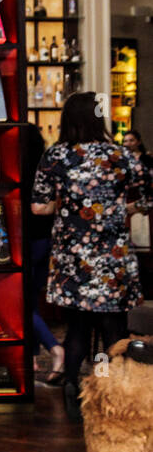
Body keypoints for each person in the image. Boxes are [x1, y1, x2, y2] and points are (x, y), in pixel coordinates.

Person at [32, 93, 153, 420]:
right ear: (99, 119)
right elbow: (147, 195)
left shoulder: (56, 155)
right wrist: (120, 209)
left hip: (73, 254)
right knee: (115, 329)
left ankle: (72, 386)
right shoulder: (121, 155)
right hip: (112, 255)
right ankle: (113, 394)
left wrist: (73, 207)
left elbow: (38, 206)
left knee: (77, 328)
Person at [21, 123, 65, 384]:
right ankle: (32, 355)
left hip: (24, 241)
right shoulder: (46, 169)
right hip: (45, 240)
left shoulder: (18, 170)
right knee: (31, 299)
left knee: (20, 301)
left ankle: (54, 348)